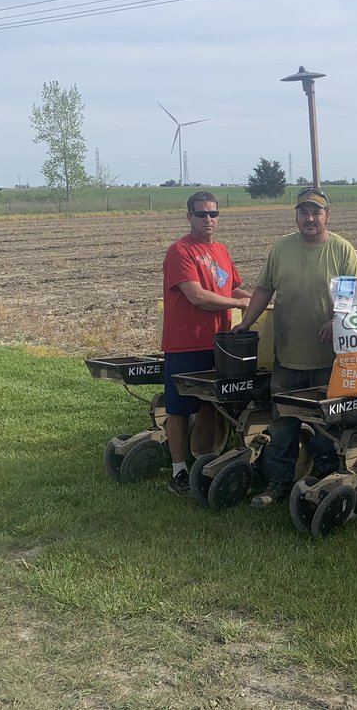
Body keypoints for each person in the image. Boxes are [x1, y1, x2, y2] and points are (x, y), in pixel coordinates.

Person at [234, 186, 357, 508]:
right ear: (296, 215)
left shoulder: (342, 250)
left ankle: (324, 484)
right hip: (288, 357)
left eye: (316, 212)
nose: (309, 218)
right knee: (282, 425)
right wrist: (246, 323)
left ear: (327, 216)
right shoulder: (282, 248)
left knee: (324, 427)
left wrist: (338, 320)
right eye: (304, 212)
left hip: (327, 359)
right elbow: (264, 289)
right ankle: (278, 483)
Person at [161, 191, 251, 495]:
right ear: (189, 217)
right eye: (201, 214)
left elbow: (235, 289)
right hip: (186, 345)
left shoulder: (221, 251)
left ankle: (207, 458)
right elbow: (197, 296)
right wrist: (238, 306)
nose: (208, 219)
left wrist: (258, 300)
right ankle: (178, 470)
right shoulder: (180, 251)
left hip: (219, 344)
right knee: (179, 409)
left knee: (213, 405)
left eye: (213, 214)